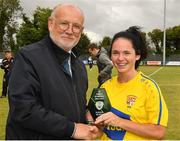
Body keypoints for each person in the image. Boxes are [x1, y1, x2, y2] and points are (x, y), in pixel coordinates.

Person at [6, 4, 102, 140]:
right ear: (51, 24)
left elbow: (72, 103)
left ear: (82, 30)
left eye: (76, 26)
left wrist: (88, 113)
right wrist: (72, 129)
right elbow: (24, 109)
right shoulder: (28, 56)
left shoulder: (79, 66)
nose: (70, 30)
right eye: (64, 24)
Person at [95, 26, 168, 140]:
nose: (120, 58)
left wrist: (119, 121)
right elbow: (100, 129)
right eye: (115, 53)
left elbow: (159, 132)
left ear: (137, 55)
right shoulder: (105, 87)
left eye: (126, 53)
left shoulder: (149, 87)